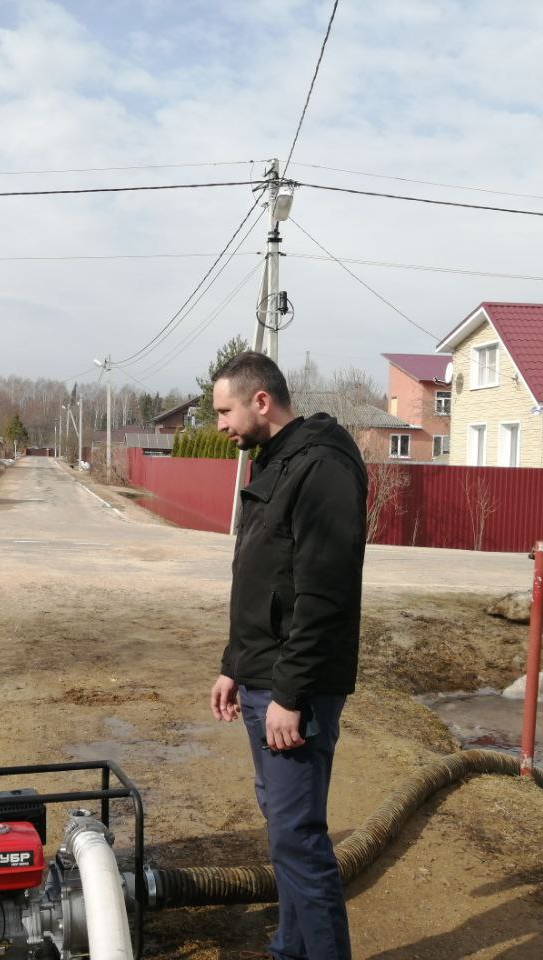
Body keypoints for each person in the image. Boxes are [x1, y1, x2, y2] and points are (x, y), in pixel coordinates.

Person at [208, 352, 366, 960]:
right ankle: (289, 950)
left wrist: (289, 696)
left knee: (299, 839)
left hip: (292, 689)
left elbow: (322, 596)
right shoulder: (278, 462)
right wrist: (233, 665)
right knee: (285, 834)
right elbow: (262, 580)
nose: (219, 423)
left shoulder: (321, 467)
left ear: (261, 402)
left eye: (225, 410)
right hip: (261, 678)